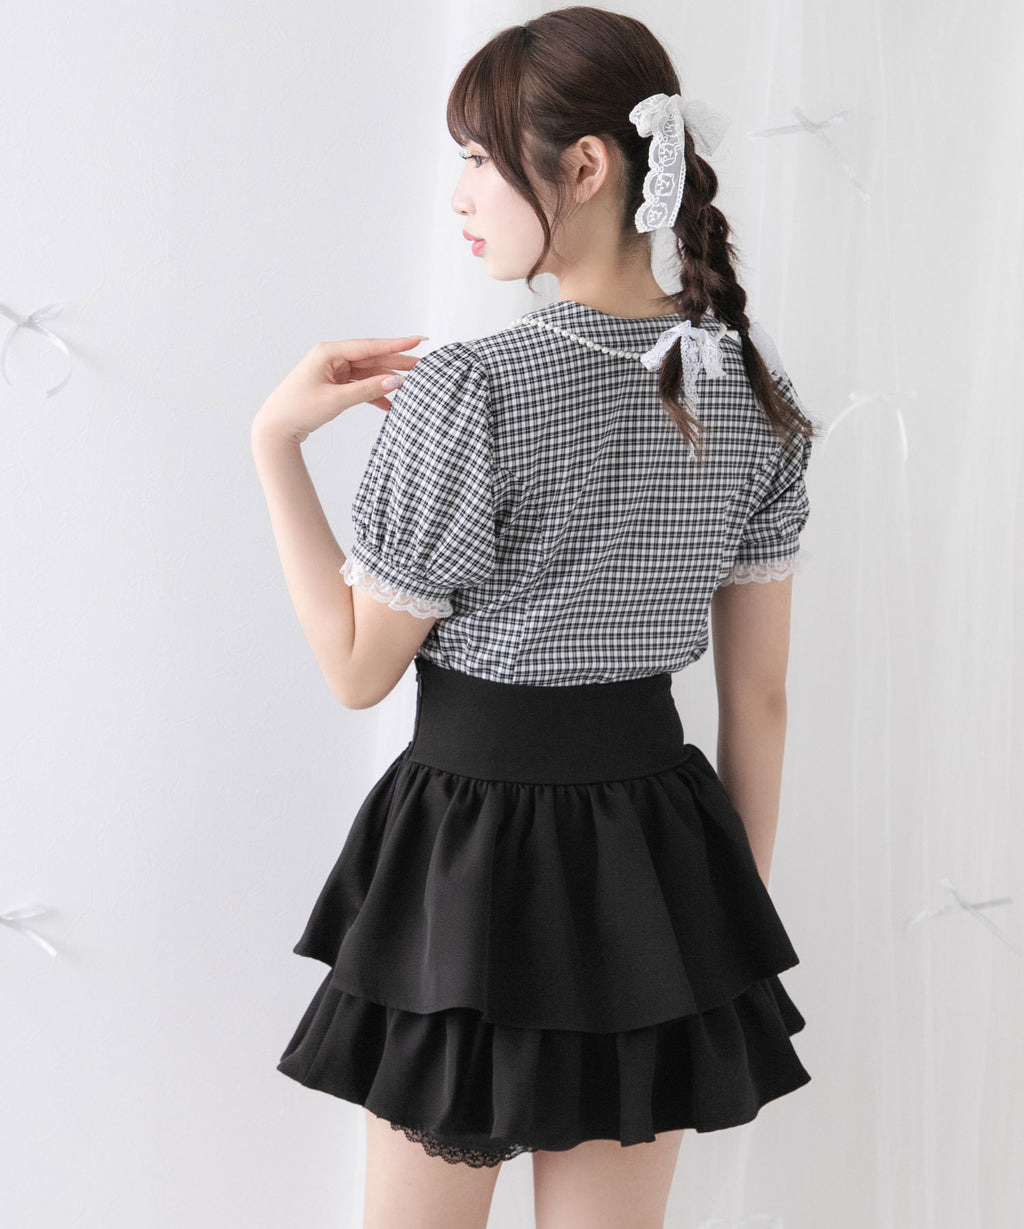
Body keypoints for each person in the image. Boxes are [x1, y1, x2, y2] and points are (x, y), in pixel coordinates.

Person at [251, 7, 820, 1228]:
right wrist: (725, 908)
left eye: (477, 156)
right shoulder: (752, 390)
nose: (458, 192)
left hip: (471, 853)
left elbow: (356, 668)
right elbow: (759, 696)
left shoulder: (474, 388)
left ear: (588, 164)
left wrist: (274, 446)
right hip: (659, 862)